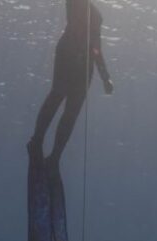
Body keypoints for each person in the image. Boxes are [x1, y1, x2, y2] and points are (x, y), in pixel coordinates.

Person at [28, 0, 113, 167]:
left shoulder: (97, 16)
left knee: (72, 112)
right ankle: (36, 141)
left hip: (85, 65)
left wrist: (105, 77)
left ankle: (55, 157)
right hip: (68, 53)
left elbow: (96, 49)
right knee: (57, 95)